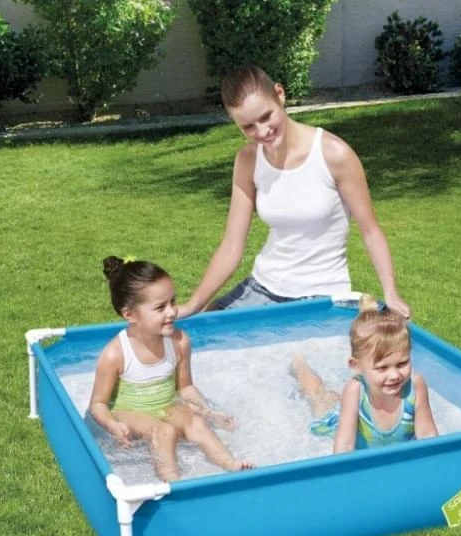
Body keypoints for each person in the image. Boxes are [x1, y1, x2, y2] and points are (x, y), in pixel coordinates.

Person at [177, 64, 411, 320]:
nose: (262, 132)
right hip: (262, 288)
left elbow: (370, 230)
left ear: (280, 94)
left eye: (266, 117)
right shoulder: (248, 160)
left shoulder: (334, 154)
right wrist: (193, 305)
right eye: (248, 127)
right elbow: (232, 245)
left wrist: (391, 292)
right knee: (201, 334)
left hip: (321, 295)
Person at [88, 256, 253, 481]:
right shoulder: (115, 354)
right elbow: (97, 404)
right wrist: (112, 425)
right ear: (130, 315)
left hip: (166, 406)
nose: (171, 312)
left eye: (172, 302)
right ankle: (172, 482)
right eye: (160, 307)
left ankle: (231, 464)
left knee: (196, 423)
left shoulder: (179, 342)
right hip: (129, 412)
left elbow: (185, 388)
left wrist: (207, 411)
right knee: (163, 431)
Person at [291, 296, 438, 453]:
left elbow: (428, 436)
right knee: (320, 397)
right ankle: (299, 364)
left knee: (335, 398)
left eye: (402, 364)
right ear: (356, 365)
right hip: (342, 423)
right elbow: (345, 446)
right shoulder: (355, 390)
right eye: (382, 368)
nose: (394, 375)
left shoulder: (415, 385)